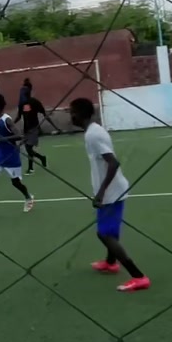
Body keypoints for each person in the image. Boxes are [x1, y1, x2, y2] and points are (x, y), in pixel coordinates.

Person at [69, 98, 150, 291]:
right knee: (110, 231)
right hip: (112, 190)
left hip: (111, 193)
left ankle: (138, 277)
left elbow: (113, 163)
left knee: (104, 234)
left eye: (72, 112)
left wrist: (101, 193)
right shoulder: (93, 131)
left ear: (80, 115)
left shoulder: (93, 135)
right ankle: (111, 263)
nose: (70, 116)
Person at [0, 95, 35, 217]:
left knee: (16, 183)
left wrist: (2, 139)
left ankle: (28, 197)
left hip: (10, 156)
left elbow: (20, 136)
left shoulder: (7, 120)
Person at [16, 85, 57, 172]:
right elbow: (19, 117)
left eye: (24, 91)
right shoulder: (22, 104)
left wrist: (55, 127)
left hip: (34, 128)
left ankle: (31, 167)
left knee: (28, 148)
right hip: (26, 129)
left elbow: (45, 114)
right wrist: (10, 124)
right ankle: (40, 159)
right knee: (28, 149)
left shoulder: (35, 102)